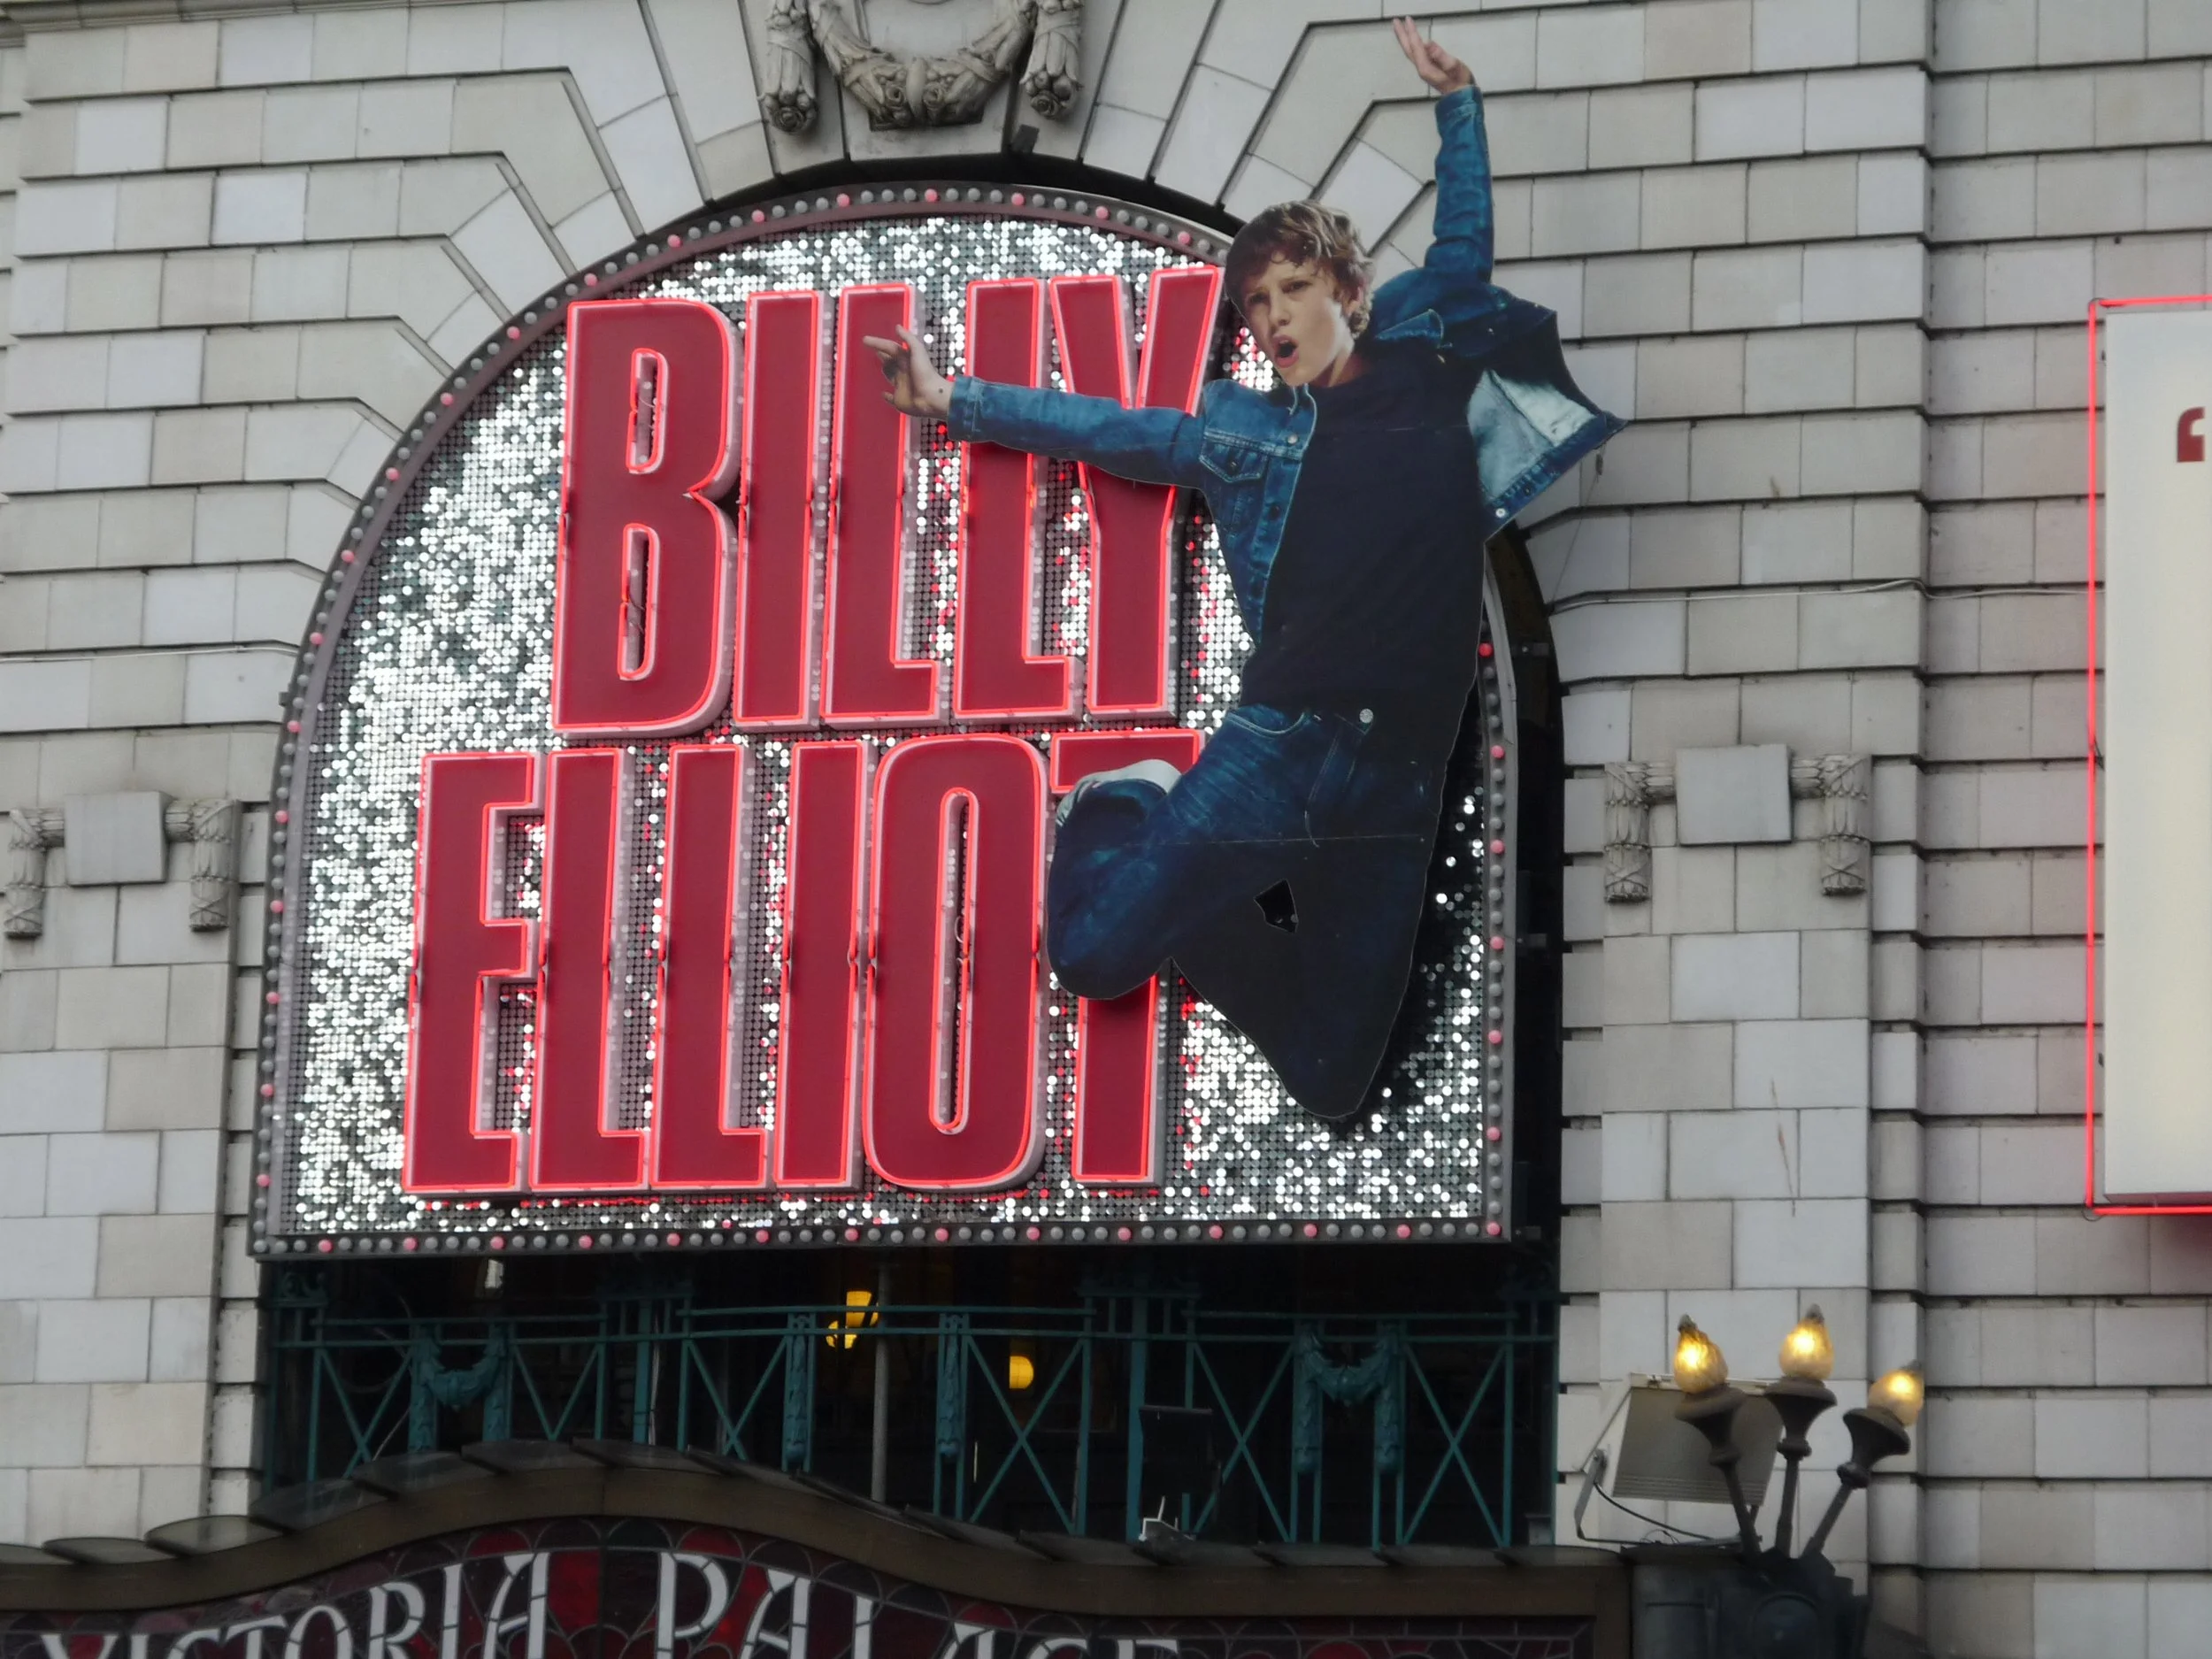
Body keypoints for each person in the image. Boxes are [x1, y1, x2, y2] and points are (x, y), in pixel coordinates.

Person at [866, 19, 1623, 1122]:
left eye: (1291, 291)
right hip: (1282, 746)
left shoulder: (1428, 371)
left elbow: (1461, 253)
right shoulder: (1249, 439)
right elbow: (1116, 428)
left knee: (1332, 1077)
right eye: (1254, 306)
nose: (1270, 321)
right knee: (1088, 951)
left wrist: (1457, 107)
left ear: (1348, 291)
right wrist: (956, 400)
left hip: (1403, 774)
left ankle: (1196, 878)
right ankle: (1130, 805)